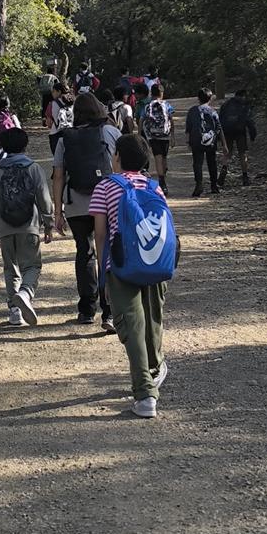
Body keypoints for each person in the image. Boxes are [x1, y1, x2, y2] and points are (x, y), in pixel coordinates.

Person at [90, 134, 172, 419]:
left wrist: (103, 273)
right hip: (156, 263)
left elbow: (100, 234)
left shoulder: (106, 186)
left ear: (118, 157)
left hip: (122, 265)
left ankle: (145, 393)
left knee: (132, 327)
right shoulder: (154, 186)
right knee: (153, 321)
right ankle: (154, 369)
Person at [52, 92, 121, 329]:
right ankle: (110, 310)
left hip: (76, 204)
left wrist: (58, 211)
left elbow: (58, 176)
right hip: (108, 201)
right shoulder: (111, 133)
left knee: (85, 252)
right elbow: (120, 169)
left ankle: (86, 309)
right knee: (107, 253)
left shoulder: (65, 139)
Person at [0, 128, 54, 327]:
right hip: (29, 225)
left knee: (10, 268)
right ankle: (25, 292)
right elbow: (43, 197)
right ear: (25, 145)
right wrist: (48, 223)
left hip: (5, 226)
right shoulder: (33, 168)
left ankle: (14, 311)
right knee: (32, 265)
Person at [185, 88, 228, 197]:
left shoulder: (192, 111)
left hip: (196, 140)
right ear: (210, 99)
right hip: (210, 140)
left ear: (198, 98)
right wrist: (224, 144)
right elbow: (219, 128)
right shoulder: (213, 111)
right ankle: (214, 185)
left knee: (197, 163)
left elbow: (188, 128)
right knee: (211, 163)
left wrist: (188, 142)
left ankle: (199, 183)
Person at [140, 83, 175, 195]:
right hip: (165, 135)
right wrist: (173, 135)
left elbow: (141, 120)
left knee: (157, 158)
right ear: (162, 93)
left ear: (151, 93)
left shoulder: (147, 106)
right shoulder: (167, 105)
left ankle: (162, 182)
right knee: (164, 157)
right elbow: (171, 119)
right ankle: (163, 175)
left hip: (153, 136)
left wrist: (140, 134)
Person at [218, 89, 257, 187]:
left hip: (227, 132)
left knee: (227, 154)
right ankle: (245, 177)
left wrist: (219, 136)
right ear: (243, 96)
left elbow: (220, 120)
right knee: (242, 154)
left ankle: (224, 170)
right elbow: (249, 120)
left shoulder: (226, 105)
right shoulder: (244, 105)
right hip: (240, 132)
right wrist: (253, 135)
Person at [45, 81, 74, 155]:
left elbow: (49, 123)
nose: (52, 93)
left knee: (58, 161)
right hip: (72, 133)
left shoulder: (52, 104)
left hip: (56, 134)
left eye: (53, 91)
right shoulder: (73, 102)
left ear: (59, 91)